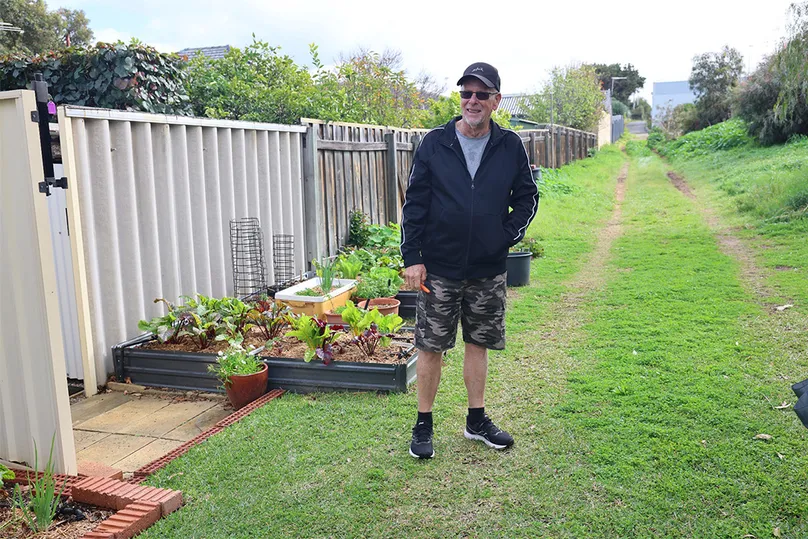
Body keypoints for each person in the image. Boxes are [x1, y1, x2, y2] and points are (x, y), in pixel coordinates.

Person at [400, 62, 539, 459]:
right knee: (430, 346)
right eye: (466, 93)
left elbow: (527, 197)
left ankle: (476, 420)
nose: (472, 101)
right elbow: (415, 204)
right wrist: (413, 256)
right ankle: (423, 423)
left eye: (481, 94)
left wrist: (505, 235)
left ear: (496, 100)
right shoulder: (435, 142)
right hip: (439, 267)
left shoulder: (510, 144)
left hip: (487, 268)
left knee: (478, 344)